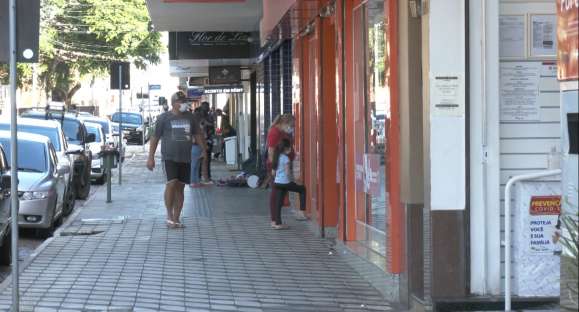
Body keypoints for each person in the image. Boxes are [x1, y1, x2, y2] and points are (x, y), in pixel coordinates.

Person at [147, 91, 205, 228]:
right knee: (171, 183)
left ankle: (177, 218)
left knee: (180, 188)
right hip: (169, 157)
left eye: (185, 101)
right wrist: (151, 158)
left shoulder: (191, 117)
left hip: (185, 158)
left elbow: (197, 134)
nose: (184, 104)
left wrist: (204, 150)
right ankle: (169, 215)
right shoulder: (164, 118)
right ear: (174, 103)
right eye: (181, 101)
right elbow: (155, 138)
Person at [266, 114, 307, 225]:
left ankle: (277, 221)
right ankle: (274, 220)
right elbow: (271, 151)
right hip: (277, 168)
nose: (292, 127)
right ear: (284, 123)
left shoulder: (282, 132)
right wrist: (275, 168)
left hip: (281, 167)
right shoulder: (274, 132)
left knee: (279, 192)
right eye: (291, 125)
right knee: (276, 193)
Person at [271, 138, 307, 229]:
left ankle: (277, 223)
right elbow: (287, 173)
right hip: (285, 182)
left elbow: (273, 173)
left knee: (278, 203)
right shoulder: (286, 158)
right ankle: (302, 212)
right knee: (302, 189)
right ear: (285, 148)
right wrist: (294, 180)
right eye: (289, 148)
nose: (290, 150)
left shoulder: (276, 157)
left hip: (277, 183)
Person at [198, 101, 215, 184]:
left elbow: (212, 126)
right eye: (205, 107)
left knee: (207, 160)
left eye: (207, 107)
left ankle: (208, 176)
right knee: (201, 160)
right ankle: (199, 176)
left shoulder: (209, 116)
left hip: (208, 140)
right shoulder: (197, 116)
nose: (207, 109)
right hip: (200, 141)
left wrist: (207, 123)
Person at [190, 107, 204, 188]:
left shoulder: (197, 125)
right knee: (194, 165)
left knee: (197, 165)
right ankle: (193, 181)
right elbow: (195, 138)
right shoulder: (195, 127)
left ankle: (196, 181)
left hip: (197, 147)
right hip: (195, 146)